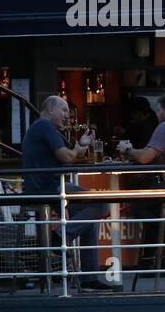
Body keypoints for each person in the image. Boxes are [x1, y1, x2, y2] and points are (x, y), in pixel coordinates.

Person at [22, 95, 117, 289]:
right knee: (101, 203)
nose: (67, 115)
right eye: (64, 110)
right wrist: (78, 149)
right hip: (48, 188)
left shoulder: (42, 128)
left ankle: (89, 278)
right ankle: (61, 237)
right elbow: (66, 157)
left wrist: (79, 146)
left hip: (47, 186)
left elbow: (68, 155)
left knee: (89, 215)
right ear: (50, 110)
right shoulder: (45, 126)